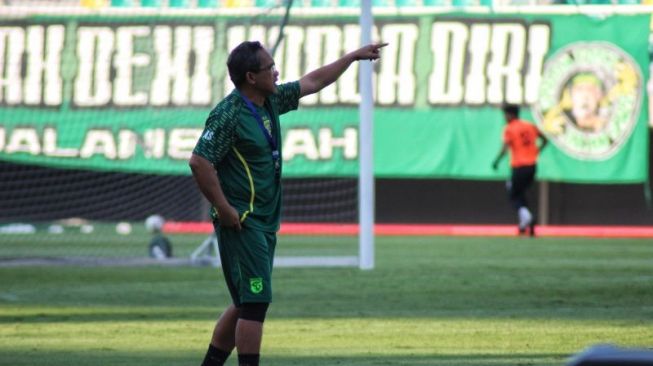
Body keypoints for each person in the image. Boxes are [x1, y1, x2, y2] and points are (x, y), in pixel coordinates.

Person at [189, 40, 387, 366]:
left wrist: (351, 56)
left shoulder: (270, 100)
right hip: (244, 220)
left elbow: (313, 82)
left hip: (264, 220)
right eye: (270, 67)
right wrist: (224, 208)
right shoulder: (229, 114)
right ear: (252, 77)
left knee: (244, 301)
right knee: (255, 303)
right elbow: (199, 162)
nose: (277, 72)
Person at [492, 104, 548, 237]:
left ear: (510, 115)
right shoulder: (529, 125)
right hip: (532, 166)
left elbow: (505, 148)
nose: (504, 117)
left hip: (519, 166)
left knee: (513, 194)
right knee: (520, 194)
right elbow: (545, 140)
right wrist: (537, 152)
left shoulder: (510, 129)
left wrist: (496, 161)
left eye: (505, 115)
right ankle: (524, 225)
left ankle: (527, 218)